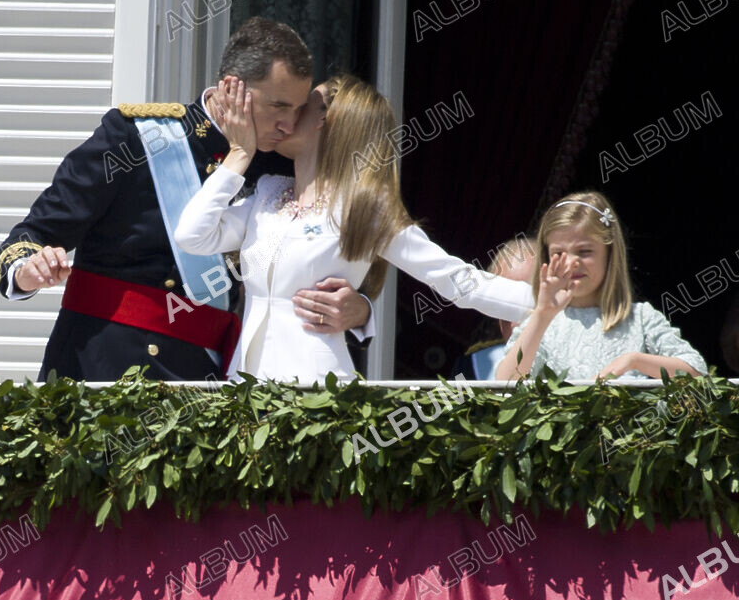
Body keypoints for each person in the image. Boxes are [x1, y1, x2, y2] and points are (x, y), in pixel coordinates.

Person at [0, 18, 372, 381]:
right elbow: (31, 235)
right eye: (278, 106)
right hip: (105, 372)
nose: (288, 124)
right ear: (231, 89)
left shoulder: (279, 165)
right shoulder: (136, 139)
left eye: (297, 109)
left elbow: (325, 259)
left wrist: (361, 310)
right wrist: (27, 271)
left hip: (210, 379)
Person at [174, 75, 535, 382]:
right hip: (246, 389)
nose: (286, 117)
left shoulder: (364, 209)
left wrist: (551, 304)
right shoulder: (268, 193)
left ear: (327, 122)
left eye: (302, 107)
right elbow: (192, 235)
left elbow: (455, 279)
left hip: (314, 399)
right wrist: (239, 156)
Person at [495, 192, 706, 380]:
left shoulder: (639, 318)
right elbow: (505, 383)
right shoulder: (543, 322)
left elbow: (696, 371)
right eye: (559, 253)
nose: (571, 263)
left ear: (610, 253)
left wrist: (633, 361)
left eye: (584, 251)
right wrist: (542, 314)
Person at [454, 237, 537, 380]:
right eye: (502, 302)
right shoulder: (473, 368)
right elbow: (445, 403)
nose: (514, 321)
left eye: (524, 299)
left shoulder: (577, 356)